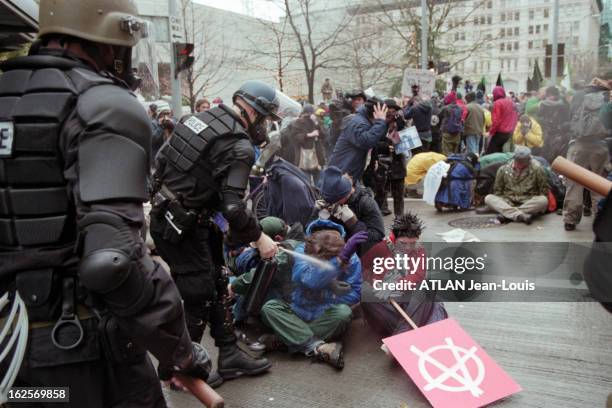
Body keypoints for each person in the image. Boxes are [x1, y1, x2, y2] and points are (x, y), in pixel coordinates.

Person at [0, 1, 211, 406]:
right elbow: (112, 261)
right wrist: (180, 352)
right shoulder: (102, 105)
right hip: (79, 354)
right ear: (113, 41)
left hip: (12, 354)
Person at [150, 80, 280, 385]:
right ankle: (180, 370)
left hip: (179, 217)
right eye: (263, 118)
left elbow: (160, 163)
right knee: (197, 294)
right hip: (182, 226)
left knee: (218, 282)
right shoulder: (240, 146)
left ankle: (230, 354)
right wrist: (260, 238)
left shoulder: (196, 119)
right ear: (250, 111)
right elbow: (234, 208)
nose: (264, 126)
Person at [259, 220, 363, 369]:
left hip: (325, 312)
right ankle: (318, 346)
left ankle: (282, 340)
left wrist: (329, 295)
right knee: (270, 308)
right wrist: (337, 264)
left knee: (344, 314)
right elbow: (308, 281)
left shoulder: (351, 259)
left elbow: (355, 293)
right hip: (298, 307)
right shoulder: (302, 250)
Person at [361, 213, 448, 338]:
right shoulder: (380, 248)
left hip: (409, 300)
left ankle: (404, 334)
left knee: (430, 292)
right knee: (365, 295)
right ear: (394, 238)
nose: (408, 247)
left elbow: (418, 275)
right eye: (403, 243)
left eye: (412, 243)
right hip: (387, 303)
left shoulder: (419, 249)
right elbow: (362, 271)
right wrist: (378, 284)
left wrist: (396, 285)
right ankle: (418, 331)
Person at [563, 78, 611, 231]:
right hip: (600, 145)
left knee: (574, 183)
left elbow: (570, 118)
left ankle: (570, 220)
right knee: (597, 183)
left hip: (579, 144)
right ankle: (600, 218)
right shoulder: (607, 99)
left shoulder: (578, 96)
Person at [314, 166, 385, 254]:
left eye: (332, 201)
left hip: (359, 256)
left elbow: (377, 236)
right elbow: (310, 234)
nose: (330, 204)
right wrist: (317, 217)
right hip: (335, 255)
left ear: (345, 196)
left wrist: (354, 224)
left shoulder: (365, 202)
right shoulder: (327, 197)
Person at [328, 98, 389, 183]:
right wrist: (380, 121)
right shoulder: (357, 122)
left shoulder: (364, 121)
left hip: (347, 175)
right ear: (376, 113)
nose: (385, 117)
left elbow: (373, 140)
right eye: (384, 114)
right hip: (341, 177)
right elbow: (367, 141)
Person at [484, 146, 549, 224]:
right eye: (518, 162)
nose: (519, 165)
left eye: (523, 163)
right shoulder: (503, 169)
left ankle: (506, 215)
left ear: (528, 161)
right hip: (508, 201)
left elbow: (543, 191)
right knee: (488, 198)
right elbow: (498, 191)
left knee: (543, 200)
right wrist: (504, 201)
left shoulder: (537, 169)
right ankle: (519, 215)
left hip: (528, 201)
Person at [286, 104, 327, 184]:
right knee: (305, 183)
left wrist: (316, 123)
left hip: (317, 157)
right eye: (307, 114)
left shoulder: (317, 121)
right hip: (303, 157)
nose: (308, 116)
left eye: (311, 114)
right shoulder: (298, 122)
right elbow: (294, 137)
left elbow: (324, 135)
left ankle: (318, 195)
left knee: (319, 183)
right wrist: (308, 135)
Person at [538, 86, 570, 163]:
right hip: (548, 132)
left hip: (558, 133)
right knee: (547, 152)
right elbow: (540, 116)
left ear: (556, 95)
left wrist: (562, 127)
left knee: (557, 152)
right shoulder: (544, 104)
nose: (550, 97)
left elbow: (567, 118)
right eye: (548, 95)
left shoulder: (563, 105)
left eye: (551, 95)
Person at [486, 86, 518, 154]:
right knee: (503, 153)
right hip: (509, 132)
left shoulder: (497, 103)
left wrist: (491, 132)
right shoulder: (511, 102)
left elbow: (496, 120)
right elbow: (515, 117)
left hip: (500, 133)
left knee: (491, 153)